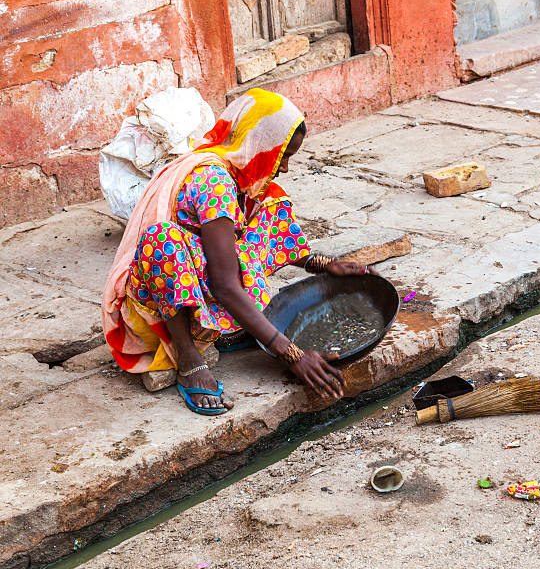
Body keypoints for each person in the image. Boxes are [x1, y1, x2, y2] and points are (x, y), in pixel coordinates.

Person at [102, 88, 375, 416]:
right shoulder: (213, 183)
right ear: (257, 144)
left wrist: (322, 264)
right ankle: (188, 357)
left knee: (269, 203)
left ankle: (231, 327)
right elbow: (224, 285)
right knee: (163, 241)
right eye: (282, 156)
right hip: (164, 302)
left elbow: (267, 235)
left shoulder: (242, 177)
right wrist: (291, 353)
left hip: (204, 275)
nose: (284, 167)